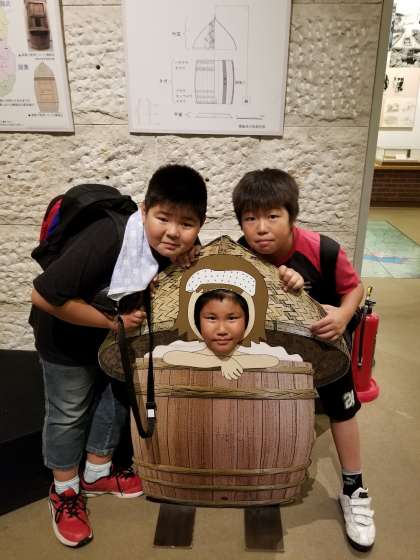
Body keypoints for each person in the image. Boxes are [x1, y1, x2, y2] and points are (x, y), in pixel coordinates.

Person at [29, 164, 207, 548]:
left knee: (115, 397)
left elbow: (188, 255)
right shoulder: (108, 236)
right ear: (143, 210)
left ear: (199, 225)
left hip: (114, 337)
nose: (173, 232)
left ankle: (97, 473)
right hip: (65, 335)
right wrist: (113, 323)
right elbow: (42, 295)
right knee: (68, 411)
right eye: (163, 218)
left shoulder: (177, 245)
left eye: (186, 224)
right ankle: (64, 491)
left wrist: (191, 254)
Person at [232, 168, 375, 552]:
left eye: (272, 216)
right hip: (274, 347)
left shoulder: (322, 249)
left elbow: (354, 288)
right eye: (250, 218)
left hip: (326, 347)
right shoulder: (240, 253)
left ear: (291, 217)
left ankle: (354, 488)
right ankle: (265, 470)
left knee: (343, 411)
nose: (261, 228)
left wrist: (343, 315)